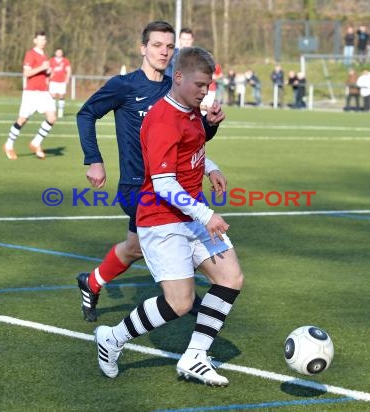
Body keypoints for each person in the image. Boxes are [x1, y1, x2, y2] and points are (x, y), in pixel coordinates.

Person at [93, 46, 244, 386]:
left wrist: (212, 167)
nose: (205, 92)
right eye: (200, 85)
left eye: (208, 85)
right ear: (178, 78)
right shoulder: (161, 119)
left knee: (231, 277)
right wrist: (206, 214)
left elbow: (189, 149)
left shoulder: (189, 110)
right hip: (162, 219)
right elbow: (163, 184)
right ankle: (112, 338)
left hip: (190, 215)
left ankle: (195, 356)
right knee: (180, 302)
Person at [76, 21, 227, 323]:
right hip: (138, 188)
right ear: (142, 48)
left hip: (171, 186)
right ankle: (184, 295)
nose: (164, 52)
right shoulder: (125, 86)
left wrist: (209, 126)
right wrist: (94, 159)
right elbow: (86, 113)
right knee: (172, 234)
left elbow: (188, 140)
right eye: (157, 45)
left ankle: (91, 282)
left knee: (134, 248)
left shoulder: (176, 87)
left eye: (170, 47)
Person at [4, 31, 56, 160]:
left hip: (43, 92)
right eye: (40, 39)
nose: (43, 42)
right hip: (31, 93)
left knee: (52, 118)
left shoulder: (45, 56)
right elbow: (26, 74)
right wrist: (42, 68)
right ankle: (9, 145)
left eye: (44, 40)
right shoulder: (30, 54)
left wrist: (49, 73)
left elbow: (44, 74)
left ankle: (35, 143)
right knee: (22, 119)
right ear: (35, 40)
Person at [48, 48, 72, 118]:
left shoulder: (65, 61)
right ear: (55, 53)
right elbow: (48, 70)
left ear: (62, 53)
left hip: (62, 82)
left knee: (61, 96)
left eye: (60, 52)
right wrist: (49, 76)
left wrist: (67, 78)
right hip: (53, 81)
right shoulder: (51, 60)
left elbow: (69, 70)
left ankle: (60, 113)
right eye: (58, 52)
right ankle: (52, 112)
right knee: (52, 97)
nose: (59, 53)